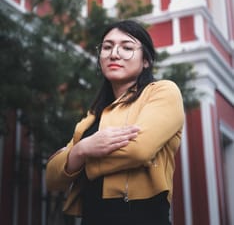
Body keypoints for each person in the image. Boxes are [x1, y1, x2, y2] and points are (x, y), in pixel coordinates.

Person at [46, 19, 184, 225]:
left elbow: (139, 150)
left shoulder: (163, 92)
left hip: (141, 217)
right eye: (107, 47)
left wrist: (79, 160)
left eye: (127, 47)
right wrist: (83, 148)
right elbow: (52, 177)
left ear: (145, 60)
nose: (114, 54)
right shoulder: (94, 114)